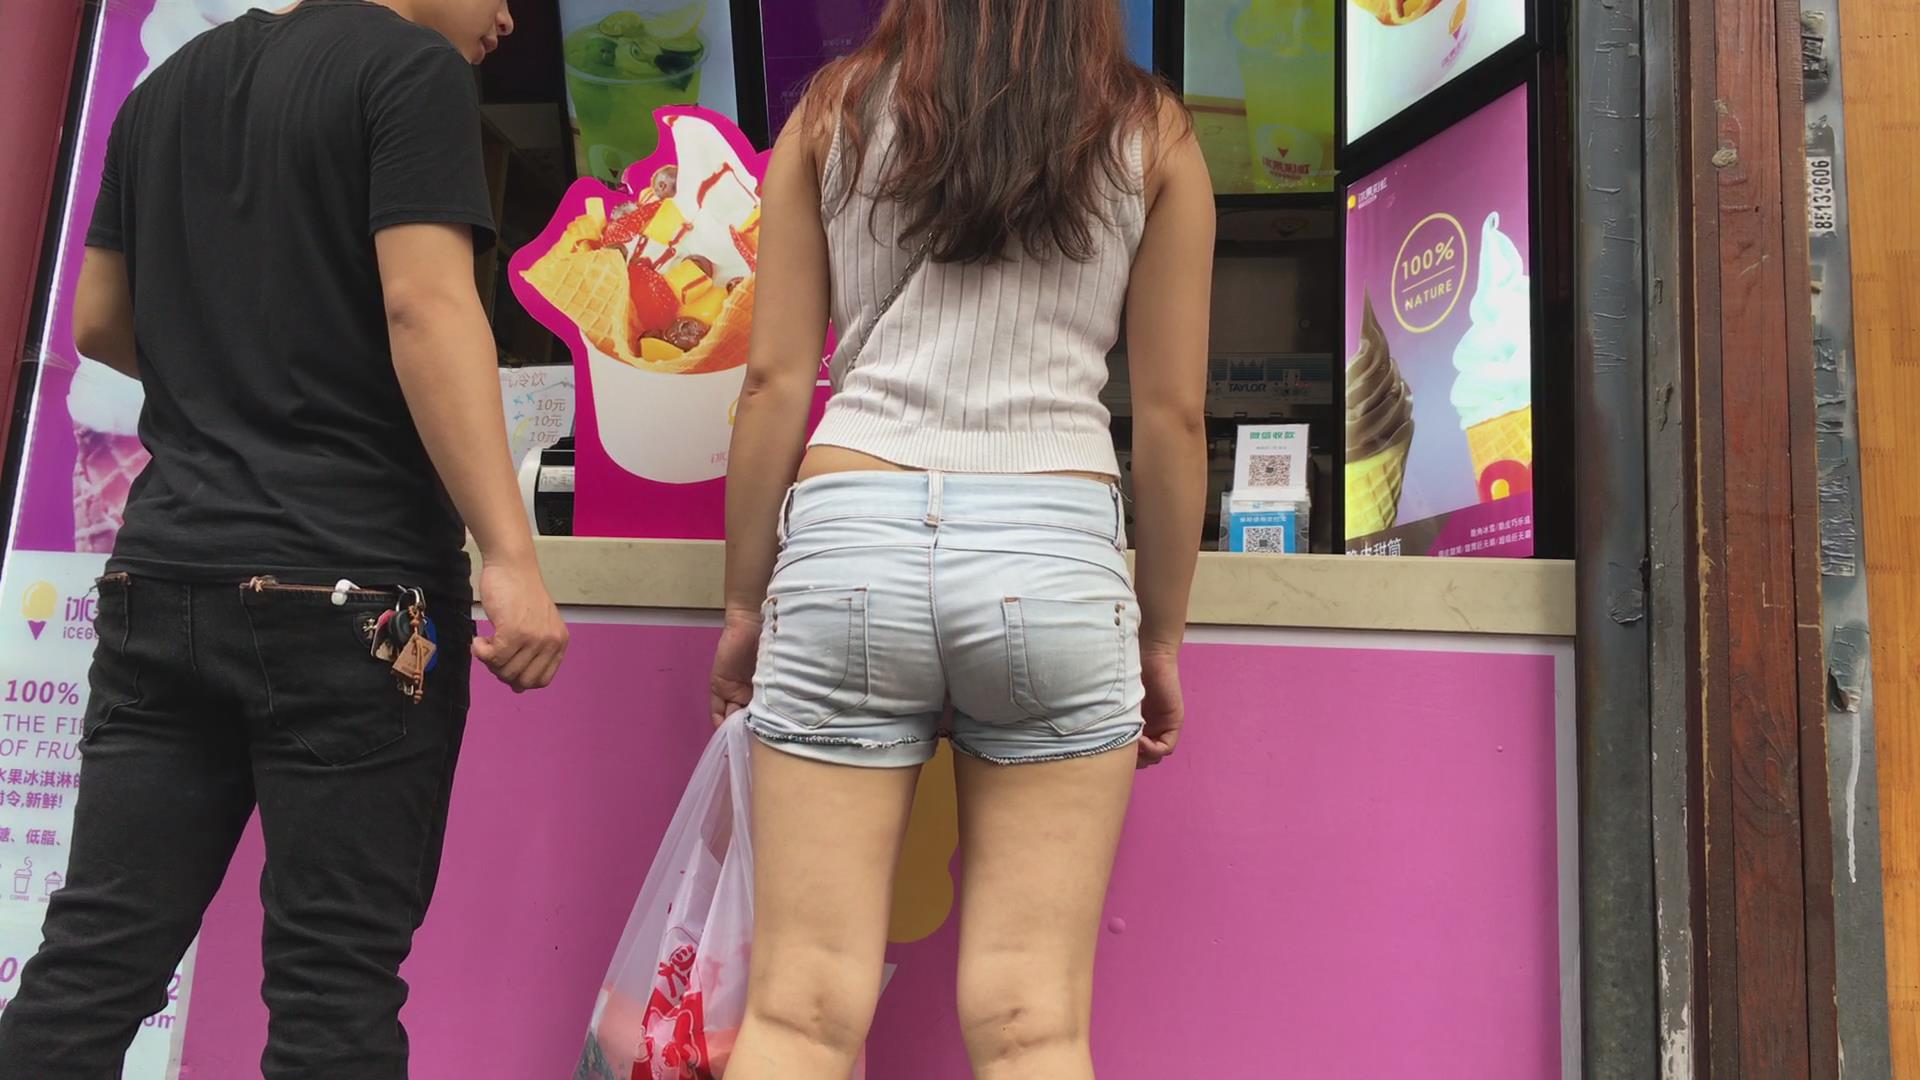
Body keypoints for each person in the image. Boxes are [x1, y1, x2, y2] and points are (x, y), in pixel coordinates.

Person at [0, 1, 568, 1076]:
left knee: (94, 960)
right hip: (353, 590)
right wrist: (510, 554)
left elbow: (99, 321)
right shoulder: (412, 74)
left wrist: (232, 380)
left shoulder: (167, 89)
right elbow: (426, 308)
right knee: (333, 985)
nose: (507, 14)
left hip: (164, 575)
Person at [706, 0, 1214, 1074]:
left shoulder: (832, 112)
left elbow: (774, 384)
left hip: (850, 537)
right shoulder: (1153, 131)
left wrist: (746, 607)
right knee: (1034, 1024)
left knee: (799, 1012)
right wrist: (1160, 639)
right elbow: (1172, 421)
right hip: (1054, 555)